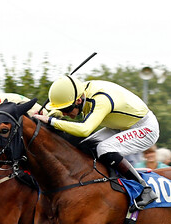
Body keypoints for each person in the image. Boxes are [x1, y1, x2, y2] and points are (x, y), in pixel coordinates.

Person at [33, 75, 159, 210]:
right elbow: (61, 109)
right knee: (85, 146)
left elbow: (84, 130)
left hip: (145, 128)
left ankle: (145, 189)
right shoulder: (78, 93)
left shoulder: (101, 100)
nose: (64, 114)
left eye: (66, 110)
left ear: (79, 100)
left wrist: (50, 121)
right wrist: (47, 115)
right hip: (121, 125)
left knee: (104, 148)